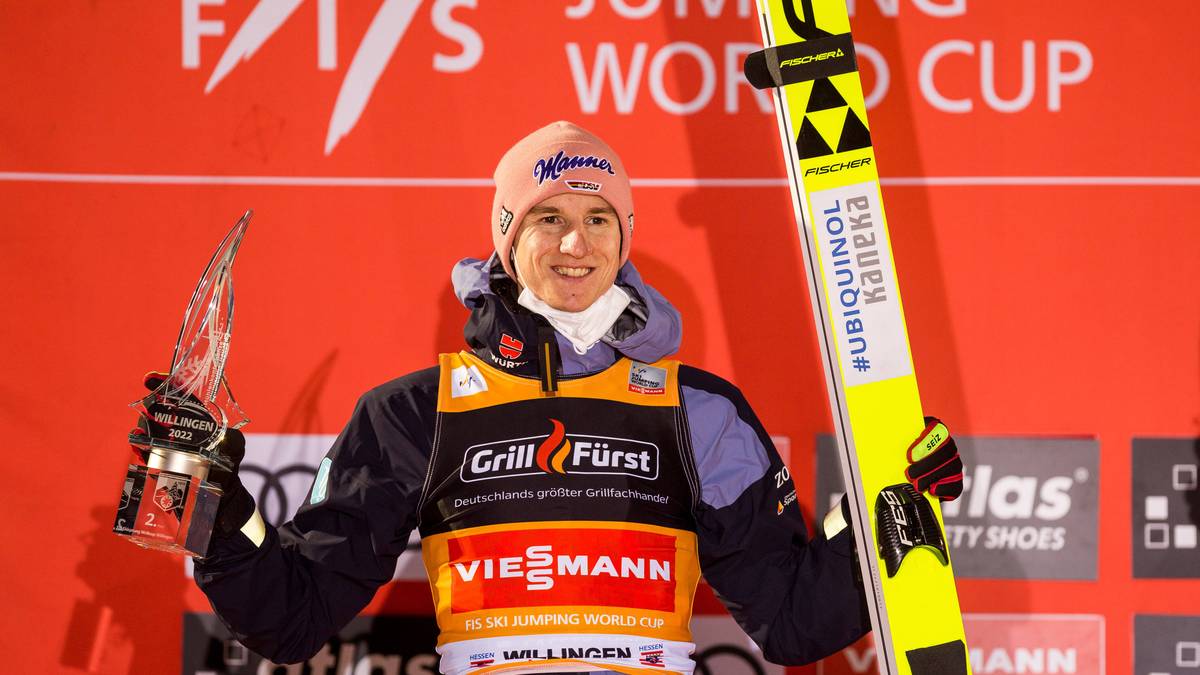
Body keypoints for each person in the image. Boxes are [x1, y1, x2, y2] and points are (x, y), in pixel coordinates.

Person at [190, 121, 964, 674]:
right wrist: (215, 513)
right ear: (506, 235)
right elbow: (292, 619)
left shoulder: (699, 412)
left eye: (599, 219)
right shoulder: (414, 414)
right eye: (548, 218)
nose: (574, 244)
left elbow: (794, 617)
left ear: (624, 238)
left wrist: (890, 511)